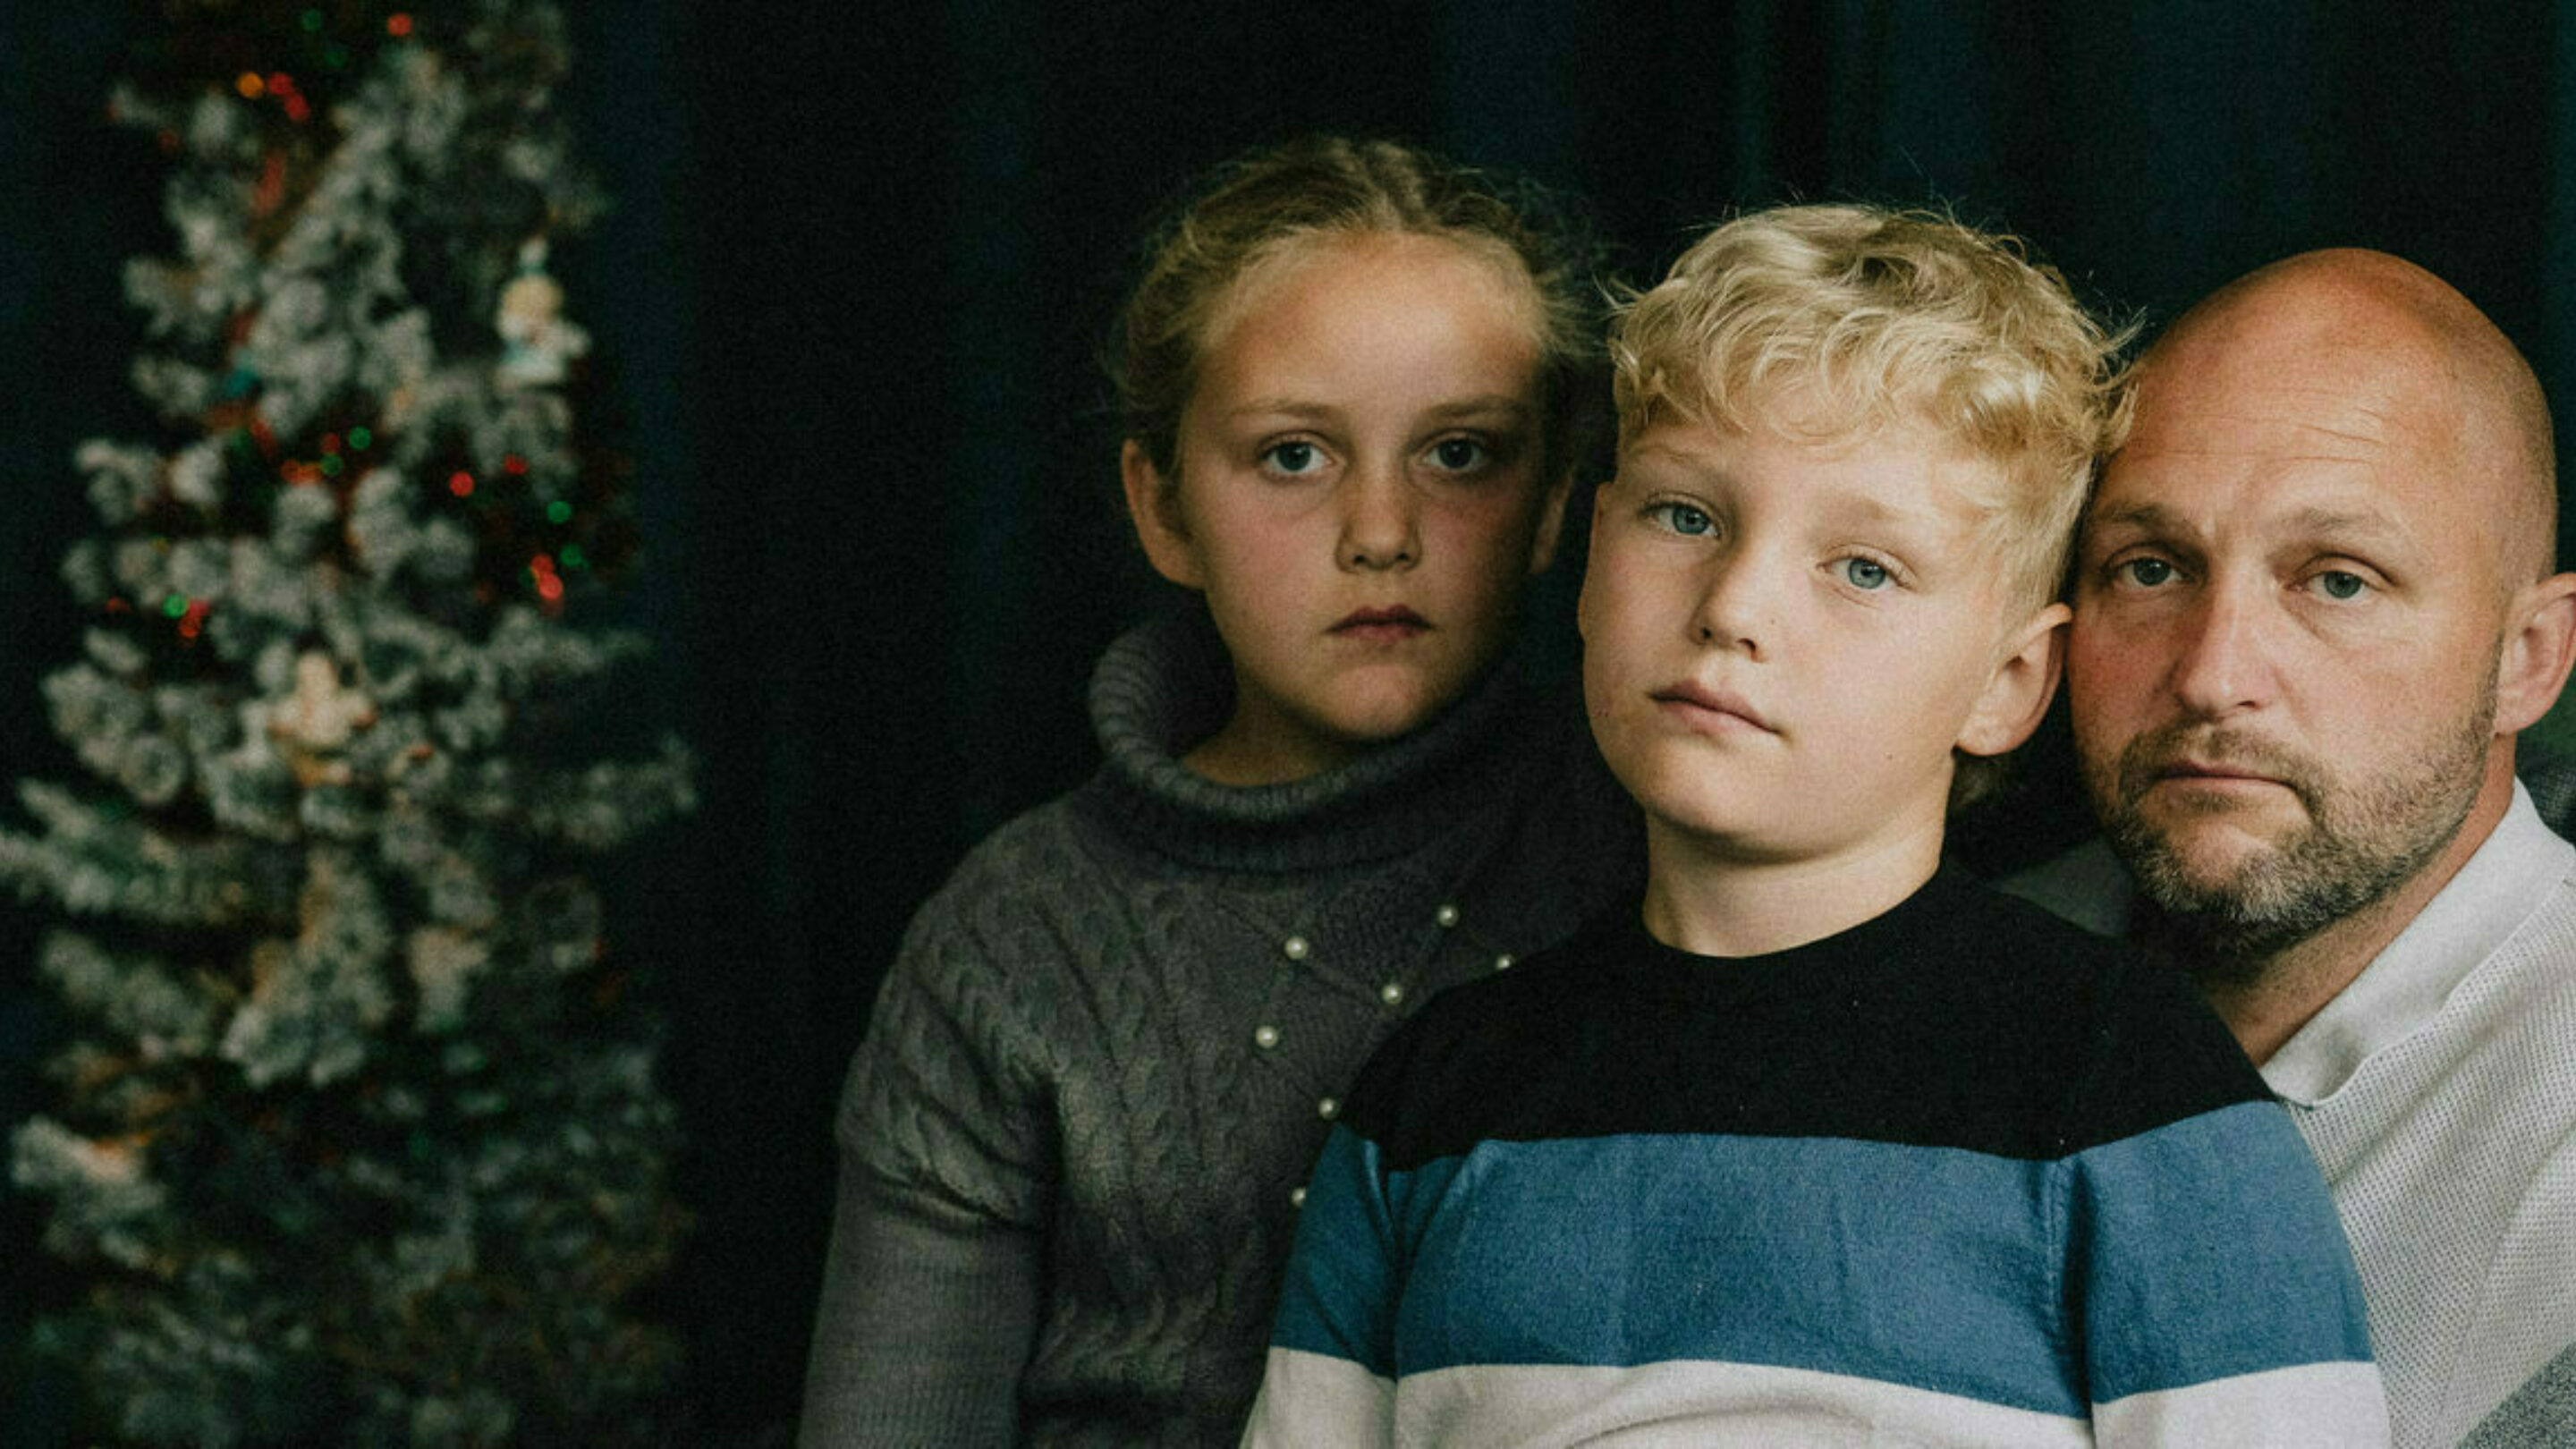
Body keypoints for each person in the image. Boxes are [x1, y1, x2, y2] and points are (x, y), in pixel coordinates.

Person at [1240, 205, 2389, 1446]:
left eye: (1862, 568)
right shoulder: (1437, 1097)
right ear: (1587, 559)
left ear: (2008, 684)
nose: (1732, 603)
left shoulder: (2130, 1086)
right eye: (1687, 517)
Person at [796, 136, 1642, 1447]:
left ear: (1552, 508)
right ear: (1164, 507)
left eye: (1461, 454)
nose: (1381, 530)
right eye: (1294, 457)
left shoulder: (1653, 833)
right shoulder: (1017, 938)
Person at [2009, 248, 2576, 1449]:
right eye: (2150, 568)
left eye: (2337, 581)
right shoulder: (1951, 970)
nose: (2213, 675)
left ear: (2528, 655)